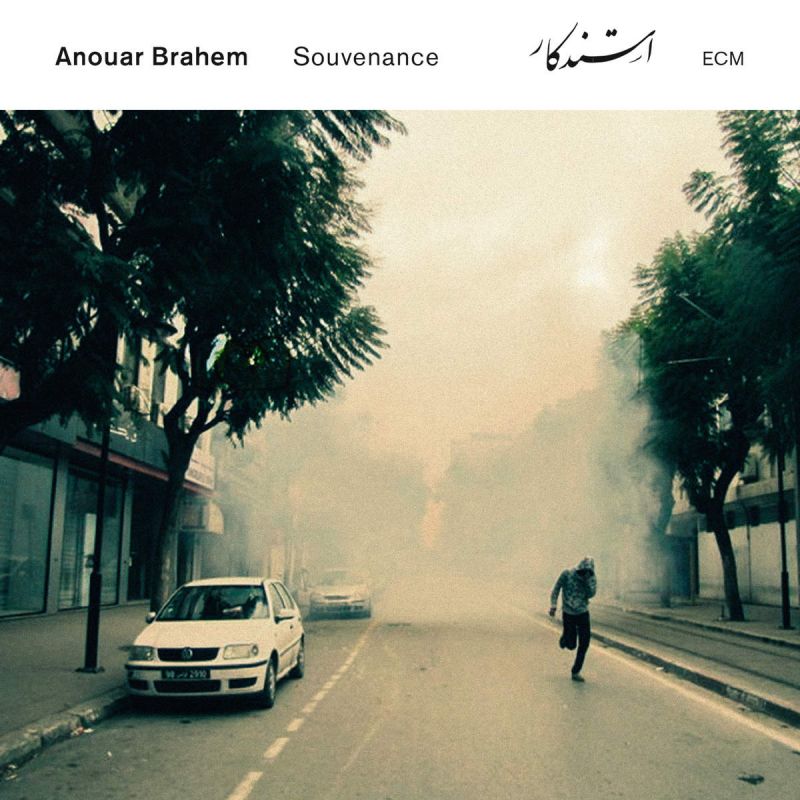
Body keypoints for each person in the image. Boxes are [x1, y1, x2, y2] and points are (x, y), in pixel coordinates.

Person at [549, 557, 596, 682]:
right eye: (583, 572)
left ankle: (576, 671)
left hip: (583, 612)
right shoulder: (567, 574)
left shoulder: (591, 578)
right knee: (571, 645)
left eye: (588, 572)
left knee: (585, 643)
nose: (584, 574)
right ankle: (566, 637)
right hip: (568, 613)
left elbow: (592, 594)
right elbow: (556, 588)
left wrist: (586, 581)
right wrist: (553, 605)